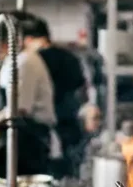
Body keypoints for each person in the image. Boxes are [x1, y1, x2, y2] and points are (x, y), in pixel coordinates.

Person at [0, 11, 60, 178]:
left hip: (30, 141)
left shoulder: (25, 62)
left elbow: (18, 110)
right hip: (19, 138)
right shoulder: (13, 61)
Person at [19, 17, 90, 177]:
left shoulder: (33, 61)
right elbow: (82, 90)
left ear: (28, 39)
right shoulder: (70, 57)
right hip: (72, 127)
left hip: (44, 133)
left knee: (49, 178)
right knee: (69, 178)